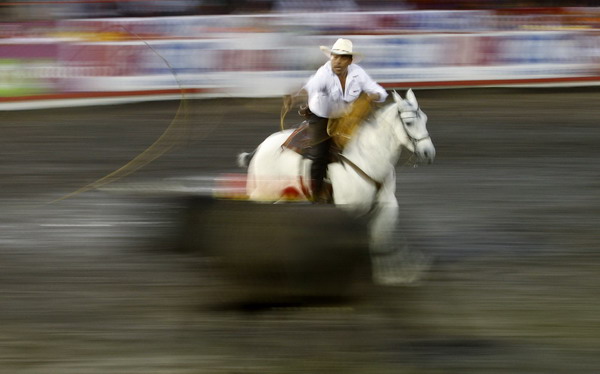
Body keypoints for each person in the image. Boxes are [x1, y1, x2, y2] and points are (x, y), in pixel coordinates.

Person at [293, 38, 388, 202]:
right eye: (335, 57)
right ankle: (315, 192)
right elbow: (312, 85)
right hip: (321, 115)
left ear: (350, 61)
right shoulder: (324, 73)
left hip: (345, 115)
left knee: (364, 140)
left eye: (342, 58)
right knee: (319, 154)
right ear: (330, 57)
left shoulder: (358, 73)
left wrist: (376, 95)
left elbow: (377, 89)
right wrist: (299, 94)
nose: (337, 61)